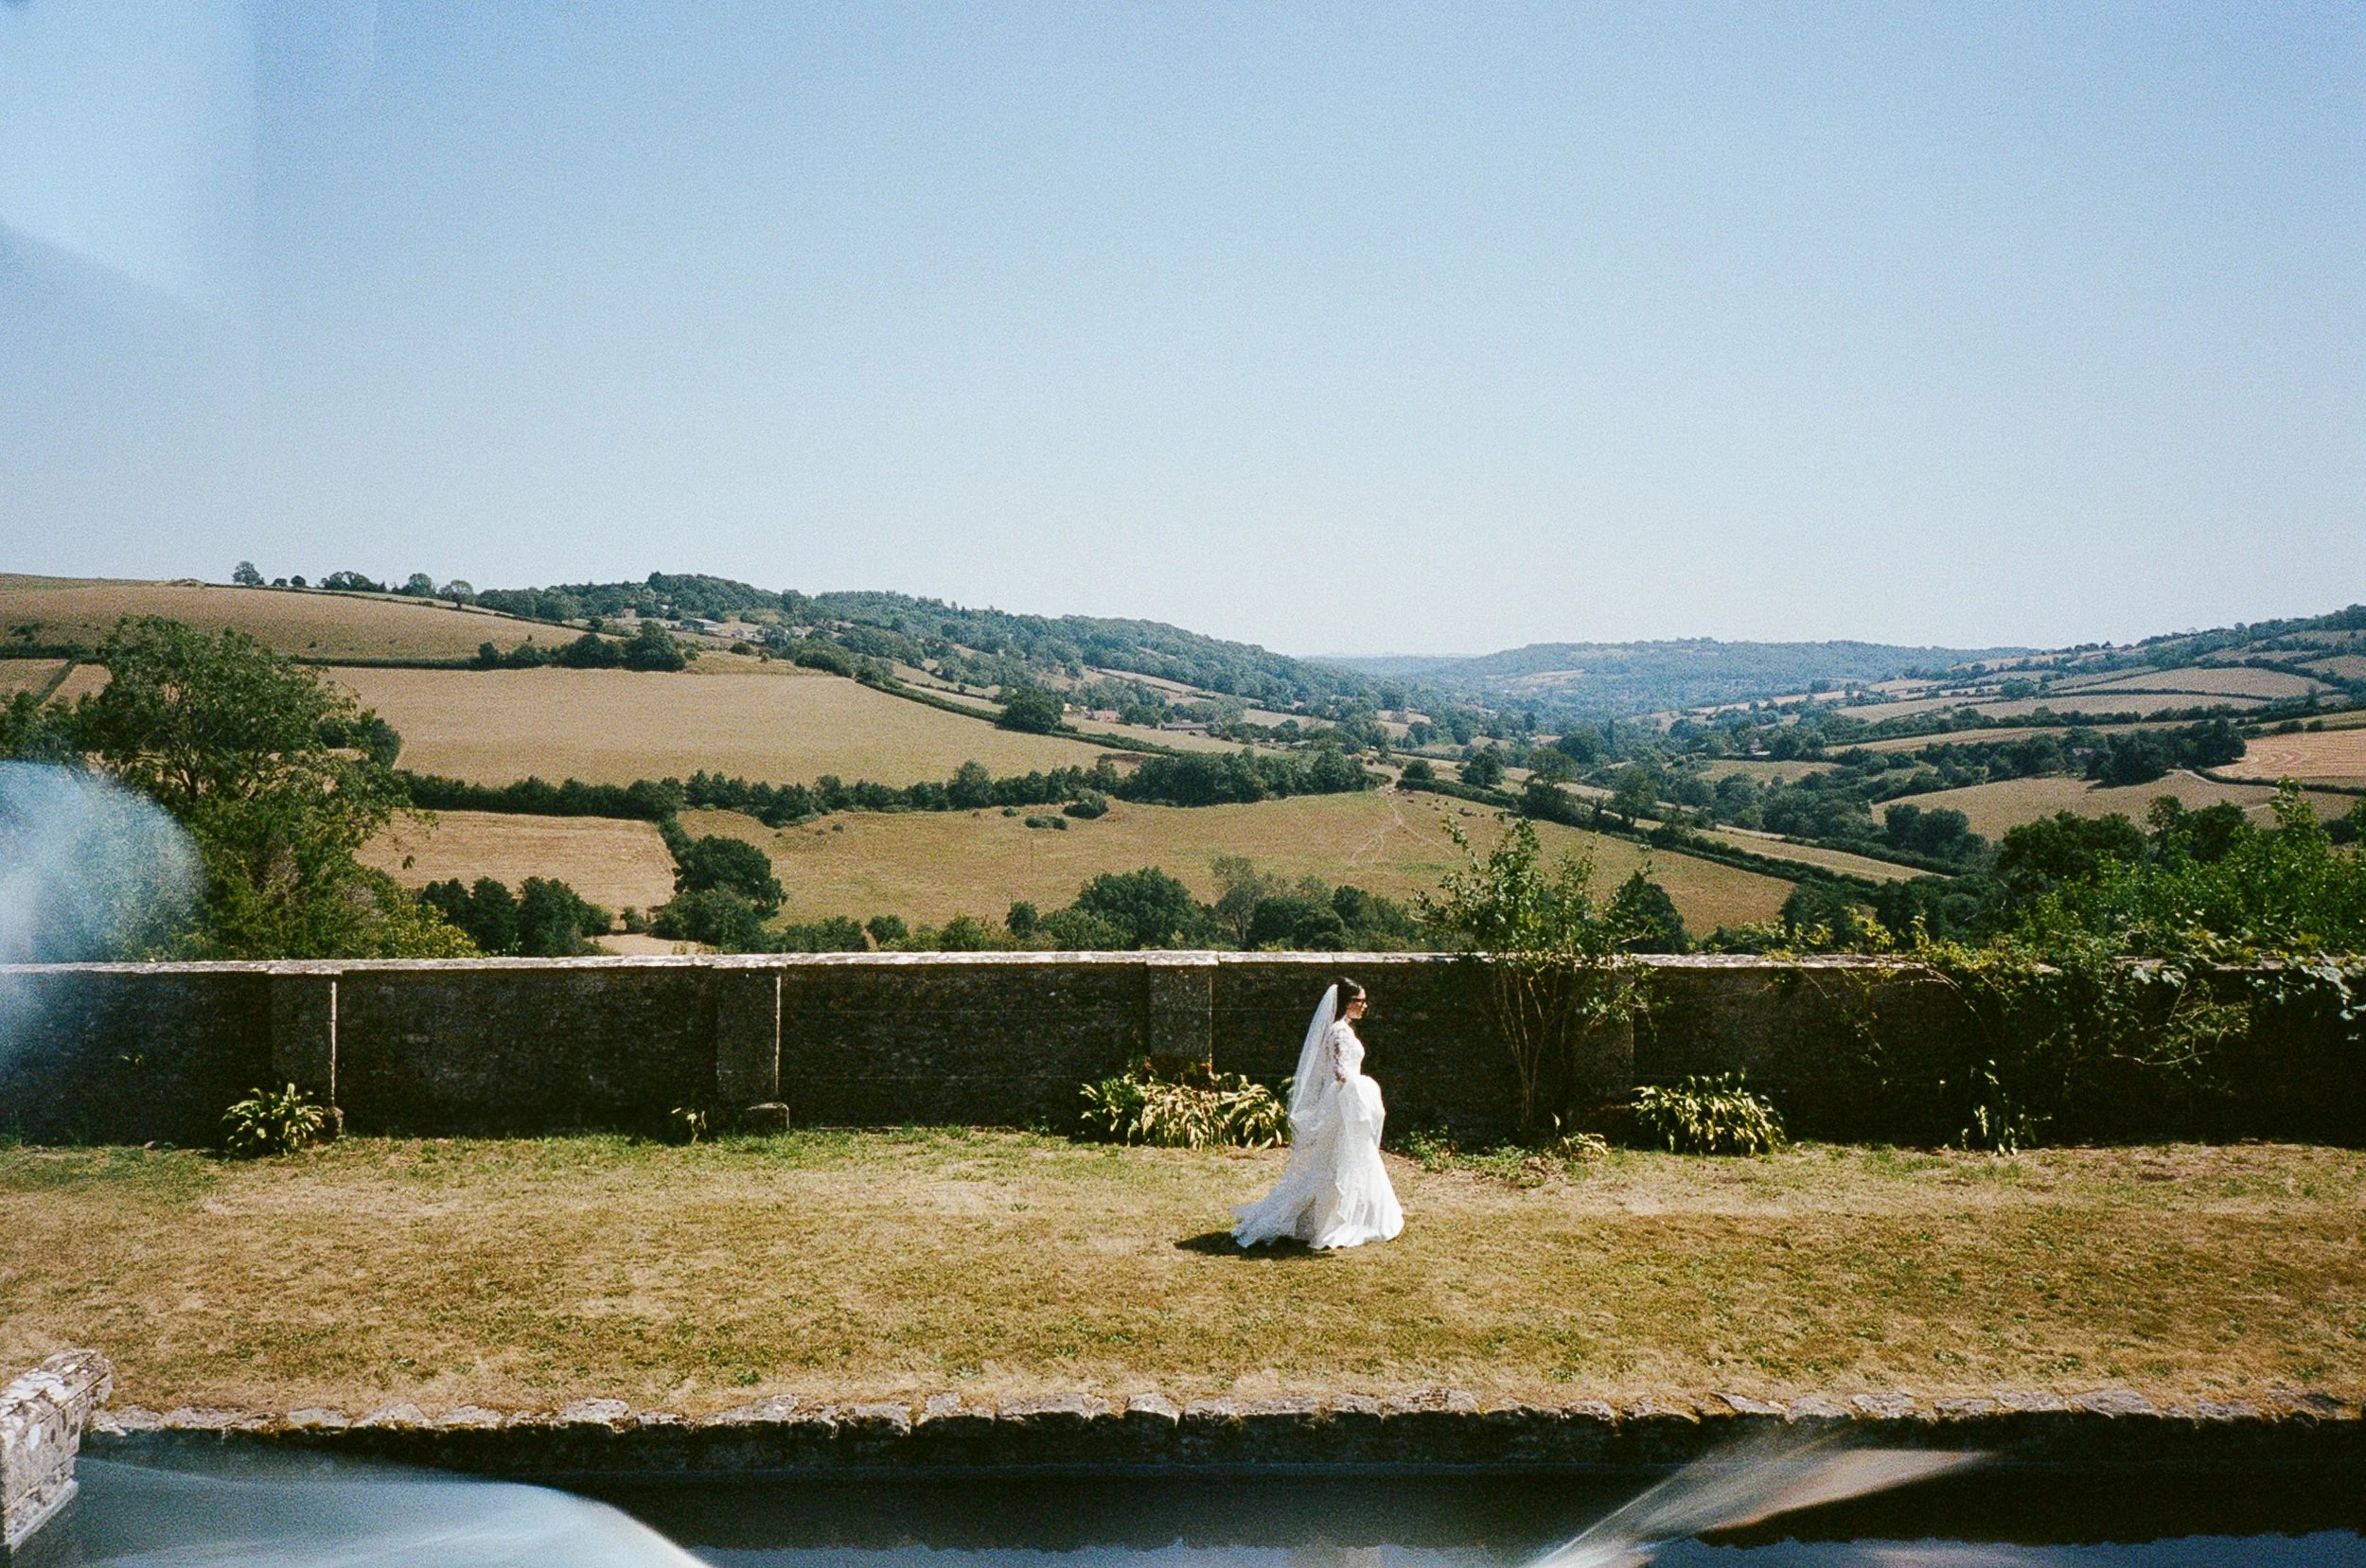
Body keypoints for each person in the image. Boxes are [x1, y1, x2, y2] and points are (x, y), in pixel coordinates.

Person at [1231, 978, 1404, 1251]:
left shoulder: (1344, 1029)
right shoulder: (1339, 1032)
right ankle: (1330, 1220)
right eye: (1360, 1001)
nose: (1364, 1006)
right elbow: (1341, 1073)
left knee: (1352, 1157)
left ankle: (1355, 1214)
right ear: (1346, 1002)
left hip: (1346, 1100)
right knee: (1338, 1159)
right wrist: (1364, 1086)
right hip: (1343, 1102)